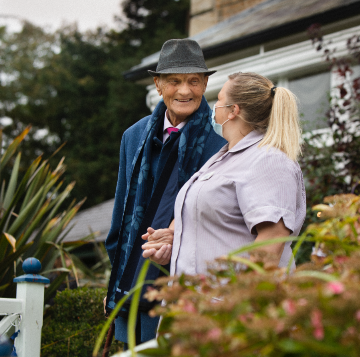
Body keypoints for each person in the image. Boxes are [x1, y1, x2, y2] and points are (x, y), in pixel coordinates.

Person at [104, 39, 226, 345]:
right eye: (174, 81)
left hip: (181, 289)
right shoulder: (133, 136)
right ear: (158, 85)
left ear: (205, 84)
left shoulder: (219, 149)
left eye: (193, 81)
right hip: (130, 281)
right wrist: (118, 268)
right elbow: (121, 212)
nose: (184, 91)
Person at [141, 72, 306, 276]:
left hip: (232, 305)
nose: (214, 106)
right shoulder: (222, 158)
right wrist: (173, 236)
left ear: (233, 111)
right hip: (199, 303)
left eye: (219, 99)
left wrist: (238, 302)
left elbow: (271, 240)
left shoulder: (268, 161)